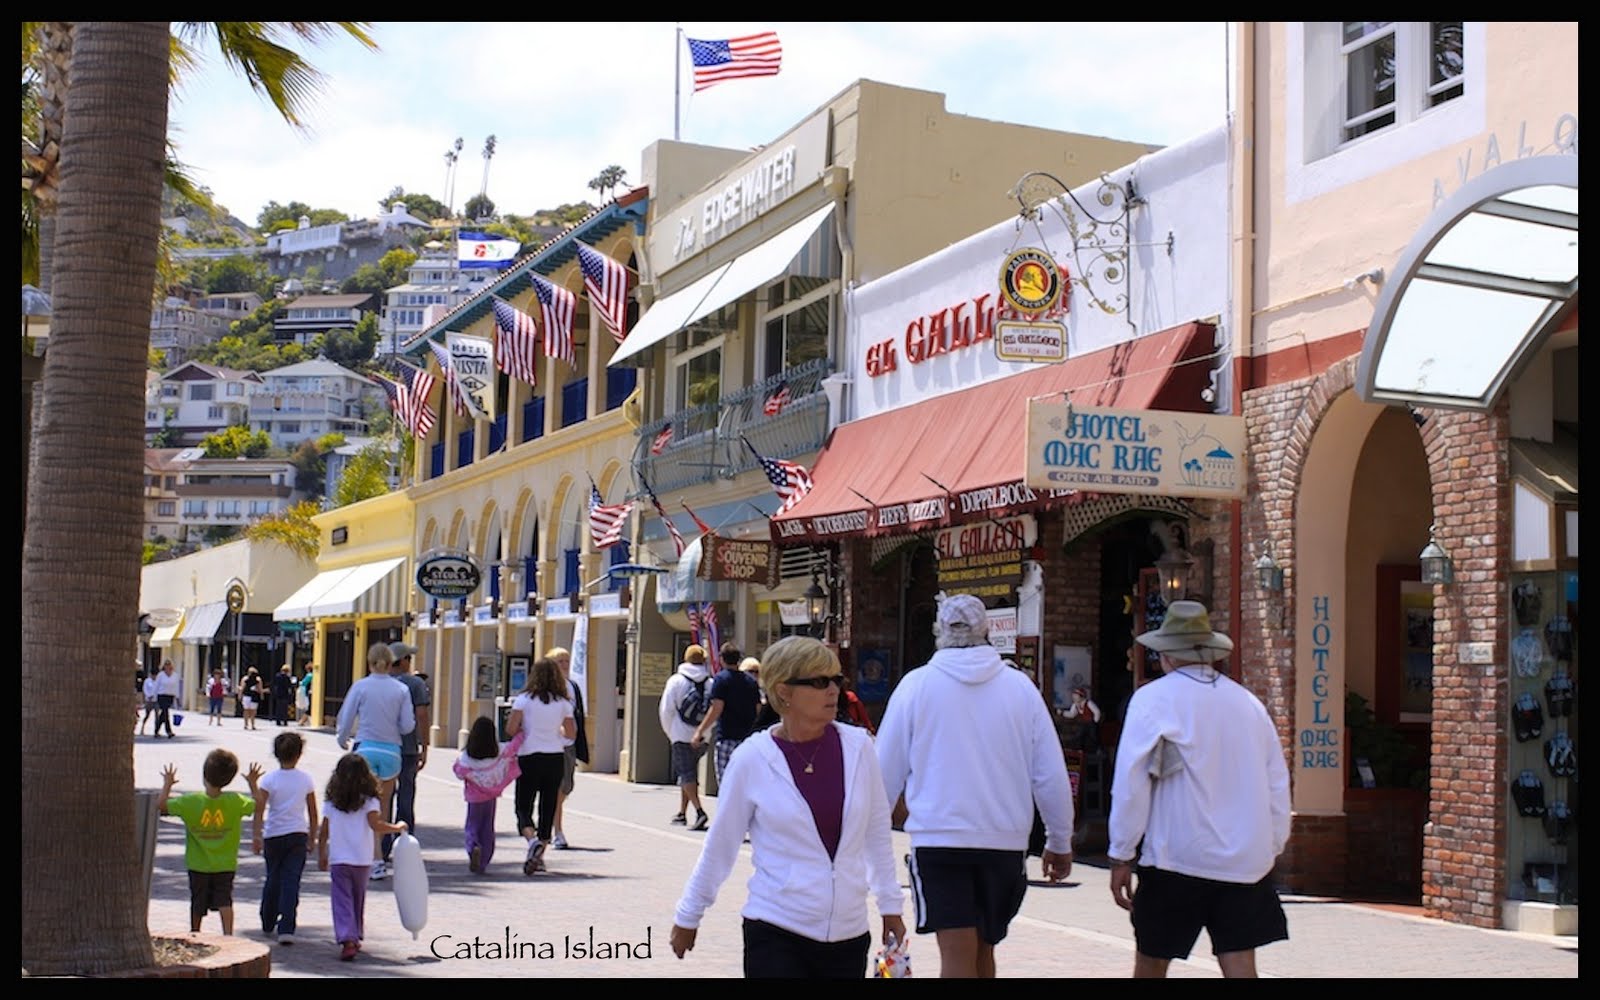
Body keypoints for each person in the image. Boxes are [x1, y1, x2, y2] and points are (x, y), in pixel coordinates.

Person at [670, 636, 906, 978]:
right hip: (776, 926)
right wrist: (689, 914)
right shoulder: (752, 759)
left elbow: (877, 834)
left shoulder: (860, 749)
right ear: (784, 692)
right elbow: (720, 845)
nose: (833, 691)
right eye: (819, 682)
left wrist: (890, 906)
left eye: (836, 680)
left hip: (848, 933)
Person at [877, 593, 1075, 978]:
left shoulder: (916, 687)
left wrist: (865, 840)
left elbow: (884, 773)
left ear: (939, 631)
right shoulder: (1020, 689)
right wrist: (1059, 840)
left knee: (956, 954)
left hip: (939, 839)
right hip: (1004, 842)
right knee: (984, 950)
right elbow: (1050, 773)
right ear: (986, 631)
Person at [1107, 600, 1291, 979]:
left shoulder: (1152, 700)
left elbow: (1131, 784)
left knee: (1152, 962)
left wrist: (1122, 853)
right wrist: (1270, 845)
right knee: (1240, 963)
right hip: (1243, 859)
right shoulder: (1248, 704)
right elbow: (1277, 783)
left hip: (1178, 856)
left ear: (1165, 654)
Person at [158, 748, 263, 935]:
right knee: (225, 900)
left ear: (204, 774)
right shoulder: (236, 801)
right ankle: (228, 934)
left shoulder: (189, 802)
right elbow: (258, 804)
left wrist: (167, 784)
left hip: (198, 863)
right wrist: (253, 784)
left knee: (197, 902)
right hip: (225, 863)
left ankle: (195, 932)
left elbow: (162, 807)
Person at [335, 641, 415, 882]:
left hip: (365, 749)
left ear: (369, 663)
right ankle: (380, 857)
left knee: (361, 805)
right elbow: (407, 725)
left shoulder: (361, 687)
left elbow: (346, 717)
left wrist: (342, 738)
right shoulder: (401, 690)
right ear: (391, 663)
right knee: (384, 805)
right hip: (391, 751)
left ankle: (367, 855)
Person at [318, 752, 408, 961]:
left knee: (342, 899)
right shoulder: (370, 801)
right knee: (358, 898)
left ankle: (347, 936)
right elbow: (375, 825)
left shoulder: (332, 802)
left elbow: (324, 831)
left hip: (339, 858)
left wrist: (321, 852)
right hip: (362, 859)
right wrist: (397, 827)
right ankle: (355, 934)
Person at [506, 657, 576, 875]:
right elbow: (572, 734)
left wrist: (523, 732)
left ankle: (531, 841)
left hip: (529, 755)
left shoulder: (524, 700)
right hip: (554, 757)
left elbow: (510, 728)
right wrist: (560, 739)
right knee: (548, 805)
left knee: (523, 805)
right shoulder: (563, 703)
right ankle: (541, 854)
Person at [252, 731, 318, 945]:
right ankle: (287, 926)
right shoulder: (305, 779)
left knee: (273, 877)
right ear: (299, 754)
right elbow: (313, 811)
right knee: (291, 881)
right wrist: (313, 837)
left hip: (273, 834)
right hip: (298, 834)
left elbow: (259, 808)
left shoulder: (269, 779)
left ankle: (268, 918)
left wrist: (256, 835)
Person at [453, 716, 525, 873]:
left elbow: (458, 772)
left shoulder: (466, 758)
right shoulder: (499, 752)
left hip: (474, 798)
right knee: (487, 828)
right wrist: (521, 732)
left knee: (472, 826)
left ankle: (473, 847)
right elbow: (514, 746)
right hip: (491, 798)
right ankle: (484, 860)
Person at [383, 641, 431, 865]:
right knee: (406, 795)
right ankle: (404, 844)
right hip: (408, 748)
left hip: (383, 746)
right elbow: (422, 715)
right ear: (402, 661)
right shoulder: (414, 684)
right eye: (409, 659)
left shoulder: (378, 682)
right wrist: (425, 745)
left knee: (383, 797)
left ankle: (380, 846)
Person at [658, 644, 713, 830]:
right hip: (702, 736)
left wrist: (670, 732)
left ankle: (699, 812)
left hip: (680, 735)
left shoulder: (676, 681)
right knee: (689, 773)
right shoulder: (709, 683)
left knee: (686, 773)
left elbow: (666, 710)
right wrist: (706, 733)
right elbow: (714, 711)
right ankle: (682, 812)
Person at [691, 642, 762, 785]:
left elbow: (717, 708)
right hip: (747, 740)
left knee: (726, 784)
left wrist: (700, 731)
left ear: (722, 659)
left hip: (727, 738)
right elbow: (758, 709)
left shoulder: (721, 679)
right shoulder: (751, 682)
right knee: (745, 784)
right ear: (738, 660)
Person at [545, 646, 586, 850]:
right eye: (559, 661)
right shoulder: (547, 689)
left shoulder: (572, 686)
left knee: (566, 787)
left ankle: (550, 822)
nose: (564, 665)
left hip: (569, 744)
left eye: (566, 661)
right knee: (557, 789)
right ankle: (556, 830)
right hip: (551, 745)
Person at [153, 659, 181, 738]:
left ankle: (156, 730)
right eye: (166, 665)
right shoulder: (160, 675)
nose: (168, 666)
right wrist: (154, 696)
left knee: (163, 714)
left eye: (169, 665)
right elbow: (156, 686)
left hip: (170, 696)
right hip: (161, 695)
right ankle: (168, 731)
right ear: (164, 666)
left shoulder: (175, 675)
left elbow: (176, 687)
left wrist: (177, 697)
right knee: (165, 712)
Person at [240, 667, 262, 731]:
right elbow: (259, 689)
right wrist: (261, 695)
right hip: (254, 697)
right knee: (253, 712)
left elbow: (242, 688)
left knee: (246, 711)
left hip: (246, 696)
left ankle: (246, 724)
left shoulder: (245, 679)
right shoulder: (258, 679)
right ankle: (252, 725)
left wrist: (240, 695)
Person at [138, 670, 159, 736]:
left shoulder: (158, 682)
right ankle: (142, 729)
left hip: (156, 700)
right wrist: (148, 696)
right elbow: (145, 689)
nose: (154, 677)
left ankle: (156, 731)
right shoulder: (147, 681)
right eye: (153, 675)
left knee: (157, 716)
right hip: (149, 701)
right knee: (147, 715)